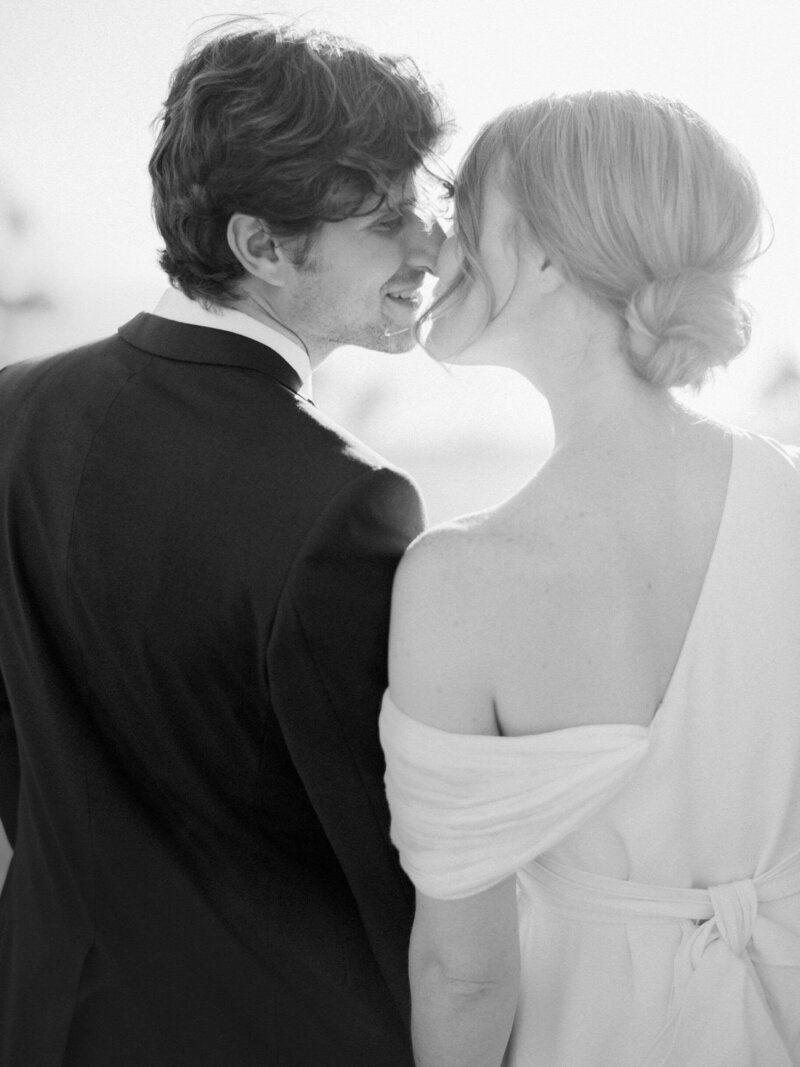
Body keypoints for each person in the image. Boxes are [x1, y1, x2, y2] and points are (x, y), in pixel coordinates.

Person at [0, 20, 447, 1067]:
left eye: (425, 206)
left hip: (42, 1009)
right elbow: (377, 858)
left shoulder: (8, 412)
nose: (428, 246)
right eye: (385, 220)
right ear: (261, 246)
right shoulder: (348, 500)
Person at [381, 91, 800, 1066]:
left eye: (459, 211)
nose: (436, 251)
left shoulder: (457, 580)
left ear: (536, 249)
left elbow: (463, 974)